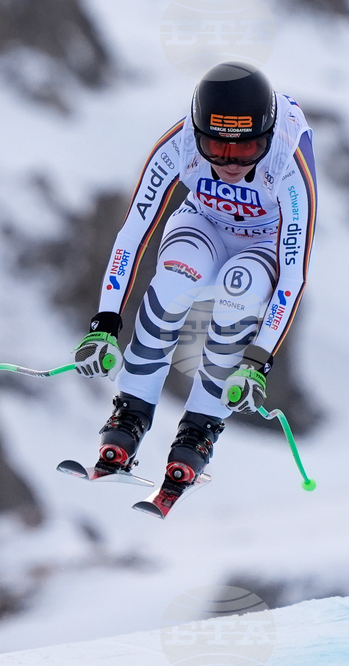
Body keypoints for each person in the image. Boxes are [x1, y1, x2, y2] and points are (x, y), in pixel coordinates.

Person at [72, 61, 317, 494]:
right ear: (197, 132)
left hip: (263, 242)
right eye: (215, 148)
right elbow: (132, 234)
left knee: (239, 295)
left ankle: (199, 431)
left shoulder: (288, 157)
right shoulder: (179, 143)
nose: (229, 163)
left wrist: (257, 362)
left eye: (246, 150)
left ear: (267, 137)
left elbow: (292, 275)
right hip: (202, 223)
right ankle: (130, 414)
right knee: (171, 286)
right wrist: (105, 323)